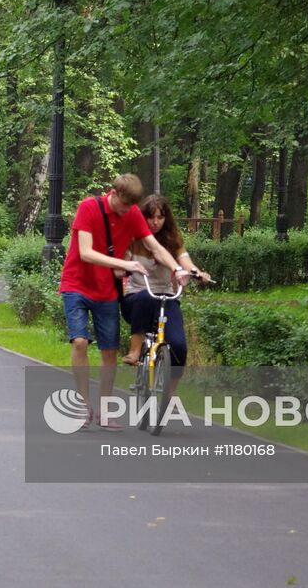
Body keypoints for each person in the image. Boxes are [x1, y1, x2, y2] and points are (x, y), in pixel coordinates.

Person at [58, 174, 189, 430]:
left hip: (106, 291)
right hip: (76, 285)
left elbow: (155, 247)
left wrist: (177, 269)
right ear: (113, 193)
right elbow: (85, 252)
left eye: (132, 207)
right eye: (124, 205)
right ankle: (84, 407)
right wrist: (125, 264)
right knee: (81, 341)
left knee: (109, 352)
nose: (127, 211)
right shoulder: (88, 207)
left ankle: (105, 411)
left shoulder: (130, 214)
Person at [120, 195, 210, 399]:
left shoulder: (173, 241)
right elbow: (122, 262)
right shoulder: (134, 240)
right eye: (151, 217)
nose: (155, 222)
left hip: (166, 298)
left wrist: (197, 273)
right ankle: (135, 350)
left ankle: (171, 392)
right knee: (144, 297)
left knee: (178, 345)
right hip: (138, 298)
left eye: (160, 217)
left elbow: (185, 263)